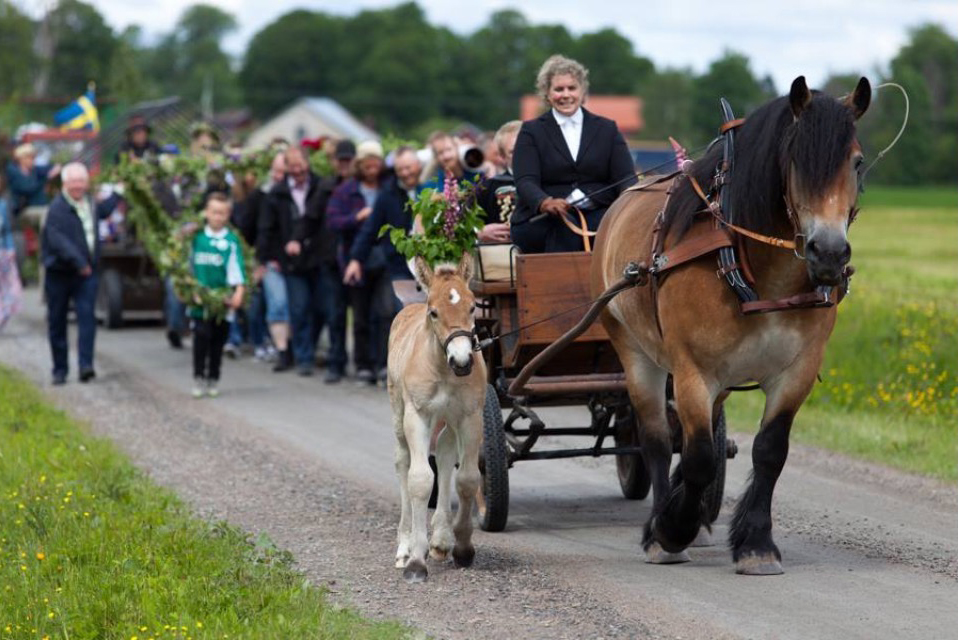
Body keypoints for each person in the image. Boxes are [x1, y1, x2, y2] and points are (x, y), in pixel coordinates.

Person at [512, 54, 636, 253]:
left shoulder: (607, 129)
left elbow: (625, 176)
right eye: (559, 89)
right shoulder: (531, 131)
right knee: (563, 229)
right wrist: (544, 202)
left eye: (572, 88)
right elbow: (525, 180)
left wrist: (628, 203)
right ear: (547, 93)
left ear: (582, 90)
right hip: (545, 218)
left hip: (598, 211)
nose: (566, 94)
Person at [41, 163, 120, 385]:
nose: (77, 186)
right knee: (57, 321)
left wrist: (119, 192)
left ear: (86, 183)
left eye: (81, 181)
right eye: (73, 181)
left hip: (86, 274)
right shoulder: (57, 208)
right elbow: (57, 241)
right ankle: (60, 369)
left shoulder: (91, 204)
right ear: (65, 184)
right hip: (60, 272)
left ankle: (86, 365)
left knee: (87, 318)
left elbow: (105, 210)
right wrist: (78, 262)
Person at [259, 146, 326, 376]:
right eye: (292, 165)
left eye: (300, 165)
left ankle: (310, 348)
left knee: (320, 308)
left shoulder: (320, 185)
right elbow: (268, 229)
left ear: (307, 163)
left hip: (318, 258)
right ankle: (304, 357)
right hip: (291, 261)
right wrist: (270, 257)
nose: (297, 170)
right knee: (299, 308)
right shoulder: (276, 194)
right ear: (286, 167)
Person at [326, 140, 389, 384]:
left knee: (384, 312)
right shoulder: (345, 190)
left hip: (384, 255)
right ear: (360, 165)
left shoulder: (387, 187)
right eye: (367, 163)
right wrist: (357, 217)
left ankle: (384, 363)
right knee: (360, 314)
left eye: (376, 162)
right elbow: (333, 222)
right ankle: (363, 364)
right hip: (356, 257)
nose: (372, 167)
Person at [186, 192, 246, 398]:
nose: (218, 217)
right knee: (201, 336)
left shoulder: (231, 240)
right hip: (200, 300)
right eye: (214, 212)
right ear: (206, 213)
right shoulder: (197, 237)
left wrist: (238, 291)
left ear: (227, 215)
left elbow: (236, 267)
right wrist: (190, 289)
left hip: (222, 301)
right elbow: (186, 265)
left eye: (222, 213)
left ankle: (213, 376)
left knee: (218, 340)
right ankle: (198, 376)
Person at [313, 139, 356, 383]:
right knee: (335, 313)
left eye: (348, 160)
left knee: (362, 314)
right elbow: (312, 216)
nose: (344, 164)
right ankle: (336, 361)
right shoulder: (326, 186)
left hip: (357, 258)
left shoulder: (362, 185)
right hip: (331, 258)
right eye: (341, 160)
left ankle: (365, 361)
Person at [476, 120, 522, 243]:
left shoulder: (553, 181)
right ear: (502, 157)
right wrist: (478, 232)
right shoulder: (487, 188)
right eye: (512, 151)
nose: (522, 154)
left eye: (525, 147)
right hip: (501, 257)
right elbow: (458, 227)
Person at [7, 143, 60, 214]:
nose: (32, 160)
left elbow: (51, 167)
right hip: (22, 209)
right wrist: (46, 178)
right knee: (46, 214)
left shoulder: (34, 170)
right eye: (30, 157)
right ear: (21, 158)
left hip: (39, 206)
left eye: (33, 158)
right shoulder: (13, 171)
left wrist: (55, 169)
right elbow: (27, 188)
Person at [0, 173, 22, 330]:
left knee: (6, 288)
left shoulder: (2, 205)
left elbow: (7, 229)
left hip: (1, 251)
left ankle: (2, 316)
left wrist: (11, 248)